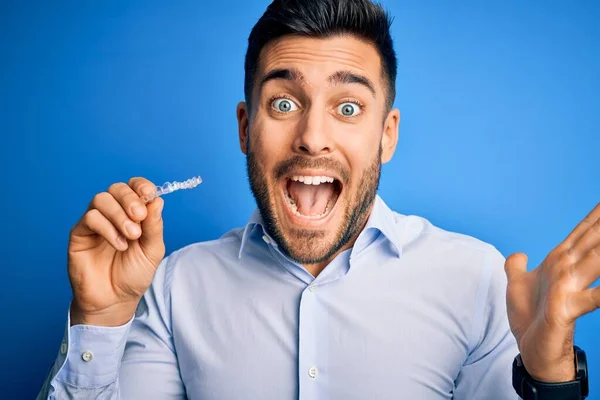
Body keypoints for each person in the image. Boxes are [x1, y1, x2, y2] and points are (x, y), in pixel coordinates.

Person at [37, 0, 597, 398]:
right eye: (283, 103)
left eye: (348, 108)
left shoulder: (477, 281)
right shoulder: (174, 288)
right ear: (244, 127)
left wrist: (549, 377)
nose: (312, 136)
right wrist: (101, 318)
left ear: (388, 134)